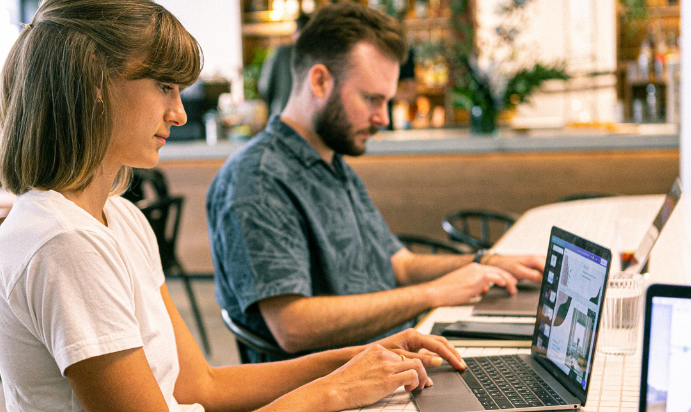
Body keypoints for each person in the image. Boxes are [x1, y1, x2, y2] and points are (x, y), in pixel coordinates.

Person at [0, 1, 466, 412]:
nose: (180, 113)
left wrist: (362, 356)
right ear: (93, 79)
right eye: (163, 87)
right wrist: (335, 388)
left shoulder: (121, 218)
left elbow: (200, 387)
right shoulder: (63, 243)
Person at [206, 3, 545, 363]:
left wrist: (485, 262)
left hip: (389, 359)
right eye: (371, 99)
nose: (383, 117)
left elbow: (399, 264)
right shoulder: (257, 180)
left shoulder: (332, 161)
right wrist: (432, 294)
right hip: (331, 389)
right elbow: (292, 326)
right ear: (319, 81)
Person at [257, 13, 310, 117]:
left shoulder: (281, 53)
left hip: (281, 116)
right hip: (307, 120)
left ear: (295, 33)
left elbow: (264, 87)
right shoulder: (317, 55)